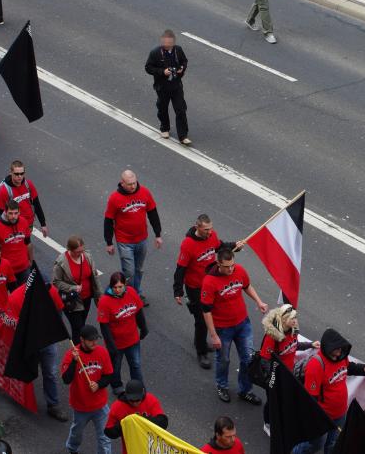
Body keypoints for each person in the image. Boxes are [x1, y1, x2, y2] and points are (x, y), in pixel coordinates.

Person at [293, 328, 365, 454]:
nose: (339, 353)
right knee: (315, 445)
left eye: (340, 349)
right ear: (328, 348)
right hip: (322, 417)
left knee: (334, 445)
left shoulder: (341, 356)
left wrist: (364, 368)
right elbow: (310, 398)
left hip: (340, 413)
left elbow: (347, 367)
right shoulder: (315, 365)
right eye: (336, 350)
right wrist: (314, 421)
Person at [201, 248, 268, 404]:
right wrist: (213, 335)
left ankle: (245, 390)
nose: (231, 269)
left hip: (243, 323)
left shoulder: (239, 270)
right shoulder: (209, 282)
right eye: (227, 266)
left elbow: (247, 286)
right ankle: (222, 386)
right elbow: (206, 311)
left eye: (232, 265)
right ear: (218, 264)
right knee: (223, 359)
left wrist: (259, 302)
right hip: (222, 329)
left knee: (248, 359)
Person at [173, 214, 239, 369]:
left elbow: (219, 246)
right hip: (195, 287)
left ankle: (200, 342)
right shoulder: (187, 245)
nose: (210, 232)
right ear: (197, 228)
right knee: (202, 319)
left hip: (210, 284)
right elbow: (180, 269)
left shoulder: (212, 235)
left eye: (211, 229)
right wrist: (178, 291)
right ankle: (201, 351)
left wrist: (235, 245)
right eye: (206, 229)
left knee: (210, 315)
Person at [6, 275, 70, 422]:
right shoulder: (16, 299)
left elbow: (58, 310)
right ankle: (19, 394)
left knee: (51, 372)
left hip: (46, 340)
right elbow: (13, 325)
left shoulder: (50, 290)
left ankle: (53, 404)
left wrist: (52, 331)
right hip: (26, 341)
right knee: (23, 368)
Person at [104, 169, 163, 304]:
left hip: (142, 239)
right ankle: (131, 297)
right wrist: (109, 242)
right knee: (129, 272)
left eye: (134, 183)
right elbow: (108, 220)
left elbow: (152, 213)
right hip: (124, 241)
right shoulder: (115, 198)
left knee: (139, 269)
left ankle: (135, 292)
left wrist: (158, 234)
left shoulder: (145, 192)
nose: (133, 186)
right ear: (122, 183)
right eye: (129, 184)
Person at [260, 304, 318, 435]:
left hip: (288, 374)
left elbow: (293, 346)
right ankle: (268, 423)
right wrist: (273, 380)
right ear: (284, 320)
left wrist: (310, 345)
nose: (296, 321)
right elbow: (265, 360)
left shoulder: (293, 331)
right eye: (292, 318)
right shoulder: (272, 336)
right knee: (272, 401)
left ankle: (281, 420)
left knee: (285, 399)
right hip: (276, 376)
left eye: (296, 317)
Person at [61, 324, 113, 454]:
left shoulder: (102, 352)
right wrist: (74, 361)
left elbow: (109, 375)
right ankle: (72, 449)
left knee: (105, 437)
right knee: (76, 434)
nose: (94, 342)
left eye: (96, 339)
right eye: (91, 340)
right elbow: (66, 379)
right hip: (81, 406)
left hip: (100, 406)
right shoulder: (71, 355)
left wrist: (99, 384)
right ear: (82, 340)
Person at [98, 272, 147, 396]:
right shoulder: (105, 301)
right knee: (116, 367)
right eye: (115, 287)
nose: (117, 290)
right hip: (116, 343)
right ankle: (117, 386)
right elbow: (104, 326)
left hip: (132, 339)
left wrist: (143, 327)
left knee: (135, 365)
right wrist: (111, 345)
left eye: (120, 287)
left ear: (125, 284)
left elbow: (139, 311)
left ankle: (138, 387)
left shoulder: (131, 292)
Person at [144, 31, 191, 144]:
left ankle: (183, 136)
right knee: (162, 107)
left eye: (170, 43)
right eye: (165, 42)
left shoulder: (178, 50)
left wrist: (181, 69)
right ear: (161, 41)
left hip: (176, 85)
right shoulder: (155, 53)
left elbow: (184, 61)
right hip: (162, 86)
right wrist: (162, 72)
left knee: (180, 109)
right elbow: (148, 68)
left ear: (174, 42)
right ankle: (164, 128)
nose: (167, 45)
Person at [53, 235, 101, 340]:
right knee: (78, 328)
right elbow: (56, 282)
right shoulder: (61, 262)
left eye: (82, 250)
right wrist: (72, 288)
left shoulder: (87, 256)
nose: (81, 254)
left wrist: (99, 294)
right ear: (70, 250)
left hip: (87, 298)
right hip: (72, 300)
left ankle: (81, 348)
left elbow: (94, 276)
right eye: (78, 252)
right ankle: (77, 352)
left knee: (82, 324)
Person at [104, 379, 168, 454]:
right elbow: (109, 432)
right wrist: (124, 424)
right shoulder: (117, 406)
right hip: (130, 450)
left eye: (137, 400)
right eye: (131, 400)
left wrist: (141, 420)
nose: (135, 403)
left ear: (143, 394)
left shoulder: (150, 400)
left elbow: (163, 422)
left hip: (151, 449)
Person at [0, 160, 48, 237]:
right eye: (16, 174)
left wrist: (43, 224)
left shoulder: (28, 184)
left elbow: (36, 204)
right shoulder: (4, 191)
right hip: (14, 227)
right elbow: (0, 213)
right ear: (11, 173)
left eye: (22, 173)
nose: (19, 176)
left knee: (26, 245)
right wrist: (5, 231)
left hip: (28, 224)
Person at [0, 199, 33, 284]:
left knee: (26, 295)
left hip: (24, 268)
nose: (13, 216)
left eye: (16, 213)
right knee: (10, 296)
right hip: (7, 271)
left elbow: (28, 243)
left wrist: (31, 260)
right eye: (10, 213)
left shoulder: (23, 222)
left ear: (19, 212)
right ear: (5, 212)